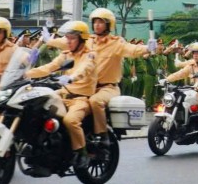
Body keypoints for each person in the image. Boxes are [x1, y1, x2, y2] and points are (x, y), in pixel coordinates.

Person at [44, 8, 154, 143]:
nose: (96, 25)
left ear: (109, 25)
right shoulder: (88, 40)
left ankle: (103, 136)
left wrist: (148, 48)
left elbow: (132, 49)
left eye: (101, 22)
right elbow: (66, 41)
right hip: (85, 87)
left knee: (95, 101)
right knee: (51, 97)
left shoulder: (116, 43)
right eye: (95, 22)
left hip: (107, 88)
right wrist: (50, 40)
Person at [27, 21, 97, 168]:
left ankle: (82, 152)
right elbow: (49, 67)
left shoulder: (90, 55)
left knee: (70, 120)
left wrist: (71, 78)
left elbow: (84, 69)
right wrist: (25, 74)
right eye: (67, 38)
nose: (68, 41)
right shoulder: (66, 55)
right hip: (62, 94)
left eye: (72, 38)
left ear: (82, 39)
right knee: (35, 106)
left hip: (81, 98)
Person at [162, 42, 198, 125]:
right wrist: (166, 79)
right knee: (182, 102)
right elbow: (181, 73)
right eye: (194, 53)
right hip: (195, 91)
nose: (195, 55)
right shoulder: (192, 65)